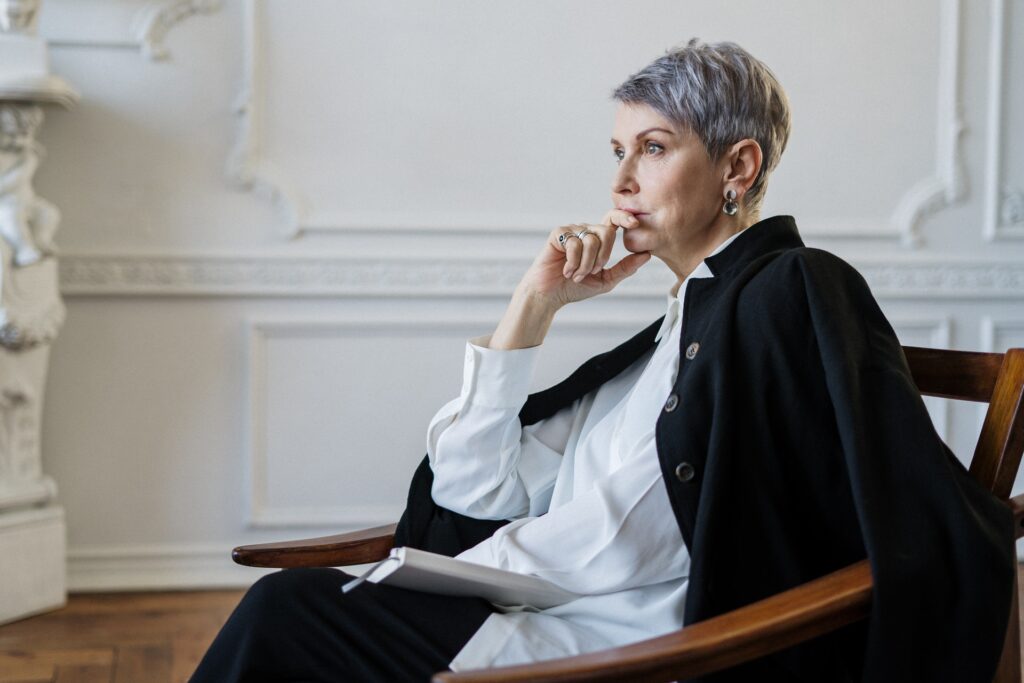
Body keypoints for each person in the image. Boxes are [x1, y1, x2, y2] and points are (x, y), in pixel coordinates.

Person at [191, 39, 1015, 683]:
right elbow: (474, 490)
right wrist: (533, 307)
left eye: (652, 148)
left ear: (738, 166)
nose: (621, 179)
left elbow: (642, 537)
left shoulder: (787, 290)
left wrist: (467, 570)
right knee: (290, 617)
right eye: (616, 149)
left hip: (622, 643)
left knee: (285, 615)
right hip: (544, 610)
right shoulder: (673, 329)